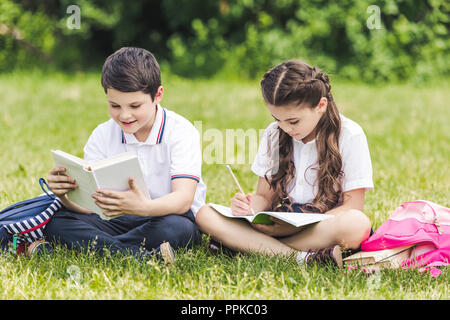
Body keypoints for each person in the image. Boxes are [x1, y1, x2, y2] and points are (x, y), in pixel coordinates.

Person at [195, 60, 373, 268]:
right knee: (204, 214)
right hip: (280, 221)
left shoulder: (350, 135)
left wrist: (295, 227)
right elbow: (264, 197)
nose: (285, 127)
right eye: (277, 119)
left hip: (321, 226)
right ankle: (301, 257)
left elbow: (352, 207)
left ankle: (250, 247)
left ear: (321, 106)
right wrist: (248, 207)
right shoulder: (274, 133)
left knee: (356, 224)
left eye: (293, 121)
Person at [43, 47, 206, 262]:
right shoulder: (102, 134)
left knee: (178, 229)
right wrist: (63, 194)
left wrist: (144, 207)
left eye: (135, 105)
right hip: (117, 218)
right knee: (58, 222)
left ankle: (104, 247)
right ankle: (136, 255)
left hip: (165, 215)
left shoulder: (181, 131)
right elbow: (86, 207)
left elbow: (183, 200)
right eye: (114, 105)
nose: (124, 115)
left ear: (158, 95)